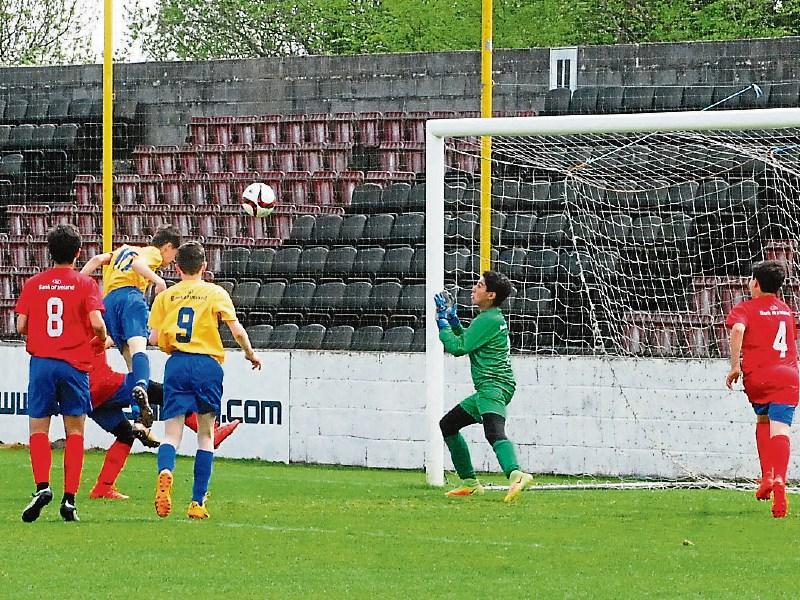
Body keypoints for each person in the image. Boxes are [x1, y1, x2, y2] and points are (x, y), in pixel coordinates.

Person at [148, 241, 262, 519]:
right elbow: (237, 330)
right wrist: (250, 354)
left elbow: (152, 337)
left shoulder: (167, 296)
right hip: (207, 365)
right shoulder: (215, 293)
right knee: (206, 435)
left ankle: (165, 472)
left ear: (177, 267)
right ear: (204, 266)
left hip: (176, 363)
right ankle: (197, 502)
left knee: (171, 433)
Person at [16, 224, 107, 522]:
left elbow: (20, 327)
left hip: (42, 362)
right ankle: (69, 500)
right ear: (79, 252)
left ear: (49, 252)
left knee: (39, 430)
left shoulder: (34, 283)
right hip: (74, 365)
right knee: (76, 431)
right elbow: (97, 324)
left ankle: (42, 486)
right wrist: (97, 340)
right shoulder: (84, 284)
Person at [87, 339, 241, 501]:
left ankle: (103, 487)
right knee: (154, 390)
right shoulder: (93, 319)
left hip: (85, 397)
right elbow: (101, 336)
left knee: (125, 434)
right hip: (100, 383)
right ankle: (208, 431)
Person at [434, 271, 533, 502]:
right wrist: (454, 322)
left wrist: (442, 322)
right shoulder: (489, 318)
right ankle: (470, 483)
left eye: (479, 285)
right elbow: (468, 340)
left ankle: (516, 474)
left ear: (491, 294)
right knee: (448, 425)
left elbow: (459, 348)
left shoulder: (489, 320)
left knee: (494, 432)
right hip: (489, 388)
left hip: (494, 386)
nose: (473, 289)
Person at [80, 224, 182, 428]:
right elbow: (136, 265)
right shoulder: (152, 253)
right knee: (139, 351)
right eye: (174, 255)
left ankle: (138, 416)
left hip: (108, 303)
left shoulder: (122, 249)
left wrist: (79, 282)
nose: (172, 261)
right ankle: (143, 387)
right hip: (130, 297)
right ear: (167, 247)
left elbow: (96, 260)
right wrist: (158, 281)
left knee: (130, 363)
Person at [725, 259, 799, 518]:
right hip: (787, 376)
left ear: (755, 283)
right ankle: (779, 479)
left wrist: (735, 366)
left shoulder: (746, 308)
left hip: (758, 377)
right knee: (781, 429)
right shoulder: (786, 310)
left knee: (762, 419)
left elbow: (737, 329)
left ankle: (767, 474)